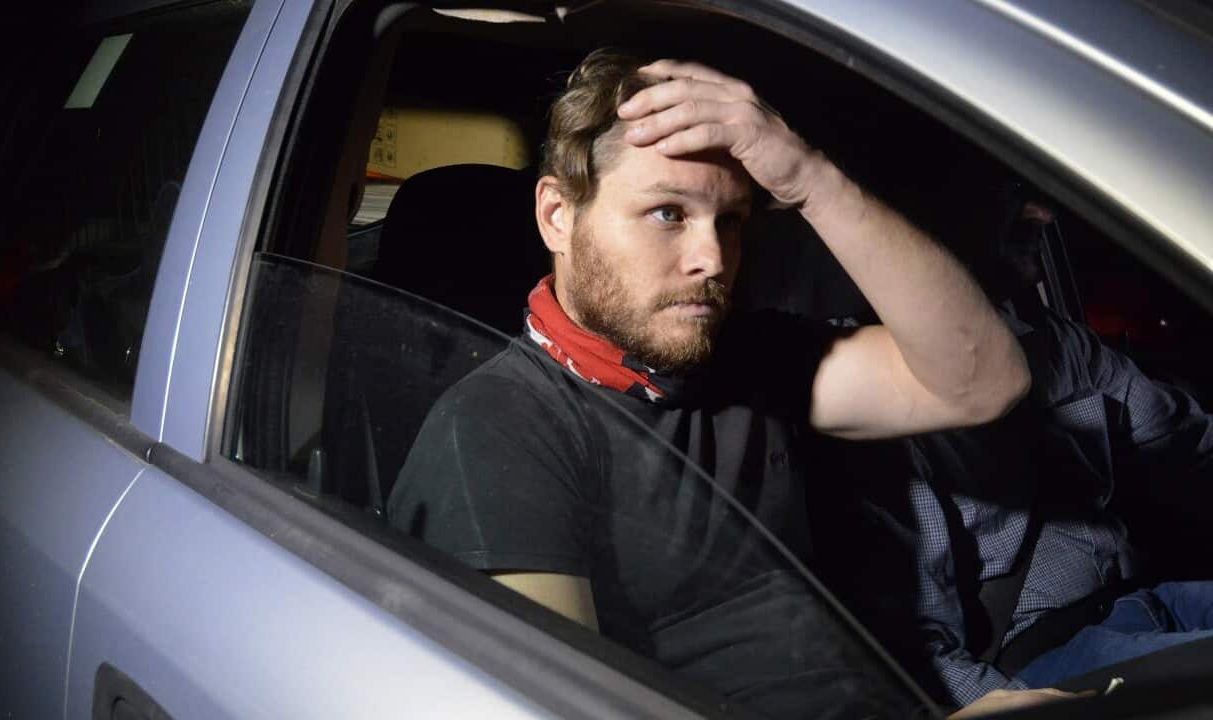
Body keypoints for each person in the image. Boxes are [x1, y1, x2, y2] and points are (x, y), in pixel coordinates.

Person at [387, 49, 1030, 717]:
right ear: (558, 216)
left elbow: (984, 382)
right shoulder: (499, 428)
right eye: (668, 213)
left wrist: (811, 179)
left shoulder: (741, 357)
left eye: (730, 221)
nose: (713, 258)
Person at [812, 197, 1213, 716]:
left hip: (1139, 600)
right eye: (1010, 191)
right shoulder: (875, 400)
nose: (1043, 215)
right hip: (1043, 664)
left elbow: (1186, 443)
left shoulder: (1057, 344)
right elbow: (916, 655)